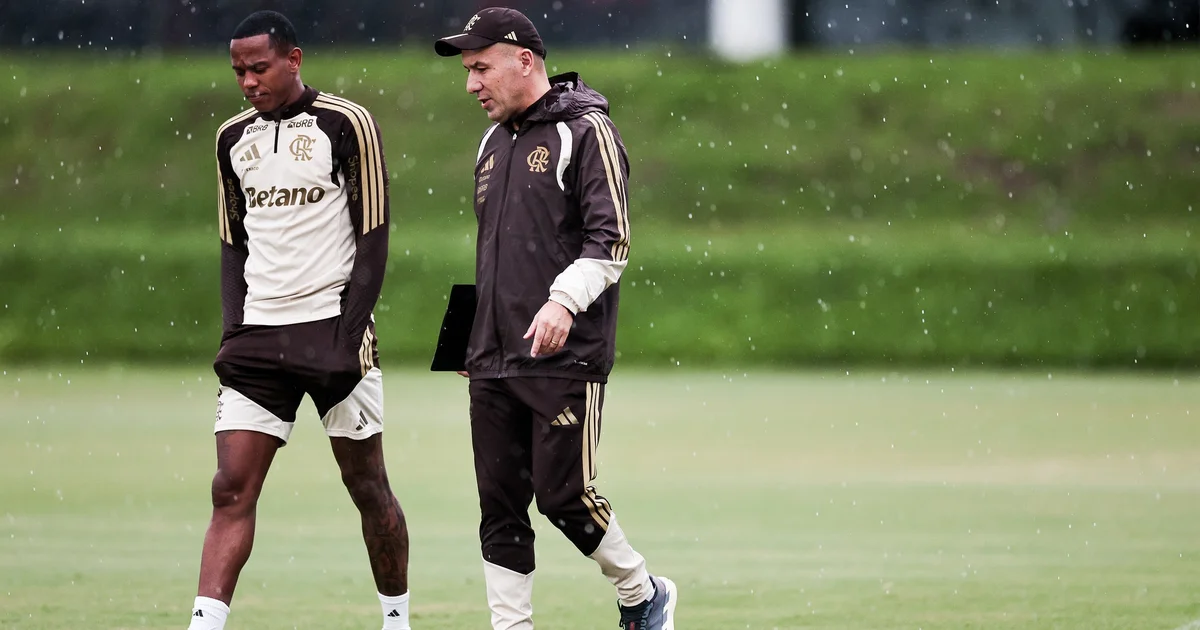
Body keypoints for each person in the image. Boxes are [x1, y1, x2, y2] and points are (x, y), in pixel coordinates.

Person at [434, 7, 678, 630]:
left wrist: (562, 301)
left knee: (564, 497)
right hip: (491, 356)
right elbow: (492, 249)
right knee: (499, 505)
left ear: (525, 60)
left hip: (563, 355)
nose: (471, 84)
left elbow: (611, 240)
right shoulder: (490, 144)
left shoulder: (585, 129)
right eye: (467, 71)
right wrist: (467, 338)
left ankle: (641, 592)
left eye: (481, 68)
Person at [187, 10, 410, 630]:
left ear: (294, 59)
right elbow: (233, 243)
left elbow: (374, 235)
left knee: (367, 487)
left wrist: (349, 333)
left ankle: (396, 619)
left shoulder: (347, 122)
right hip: (259, 335)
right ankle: (205, 623)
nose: (249, 81)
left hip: (334, 331)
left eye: (259, 68)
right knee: (231, 488)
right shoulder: (232, 138)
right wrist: (234, 330)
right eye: (238, 71)